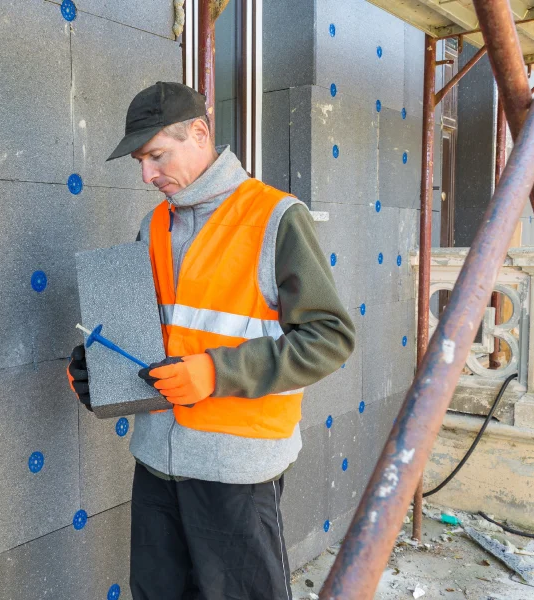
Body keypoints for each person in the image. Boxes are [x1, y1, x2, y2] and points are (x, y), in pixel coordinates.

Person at [67, 81, 355, 600]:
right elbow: (147, 331)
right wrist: (96, 367)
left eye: (156, 155)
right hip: (156, 462)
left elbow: (330, 338)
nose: (147, 174)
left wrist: (216, 373)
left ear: (199, 133)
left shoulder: (275, 217)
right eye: (139, 160)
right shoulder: (153, 224)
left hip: (237, 471)